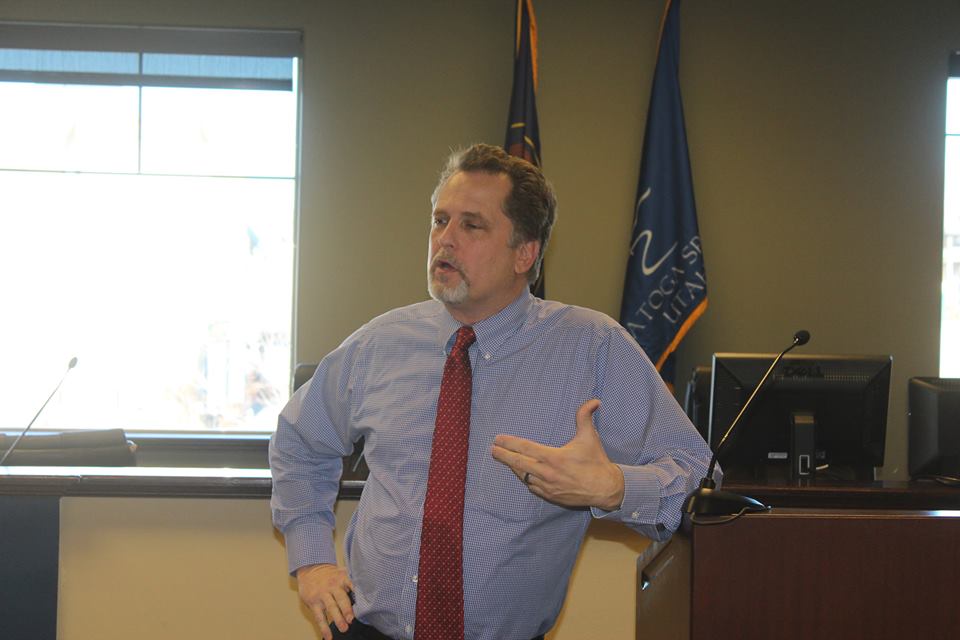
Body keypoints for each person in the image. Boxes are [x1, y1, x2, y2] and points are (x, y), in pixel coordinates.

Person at [270, 143, 716, 640]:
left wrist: (614, 487)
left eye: (472, 225)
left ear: (525, 253)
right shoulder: (380, 342)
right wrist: (312, 561)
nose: (445, 240)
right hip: (367, 629)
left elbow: (699, 477)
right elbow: (300, 440)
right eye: (440, 221)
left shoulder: (592, 347)